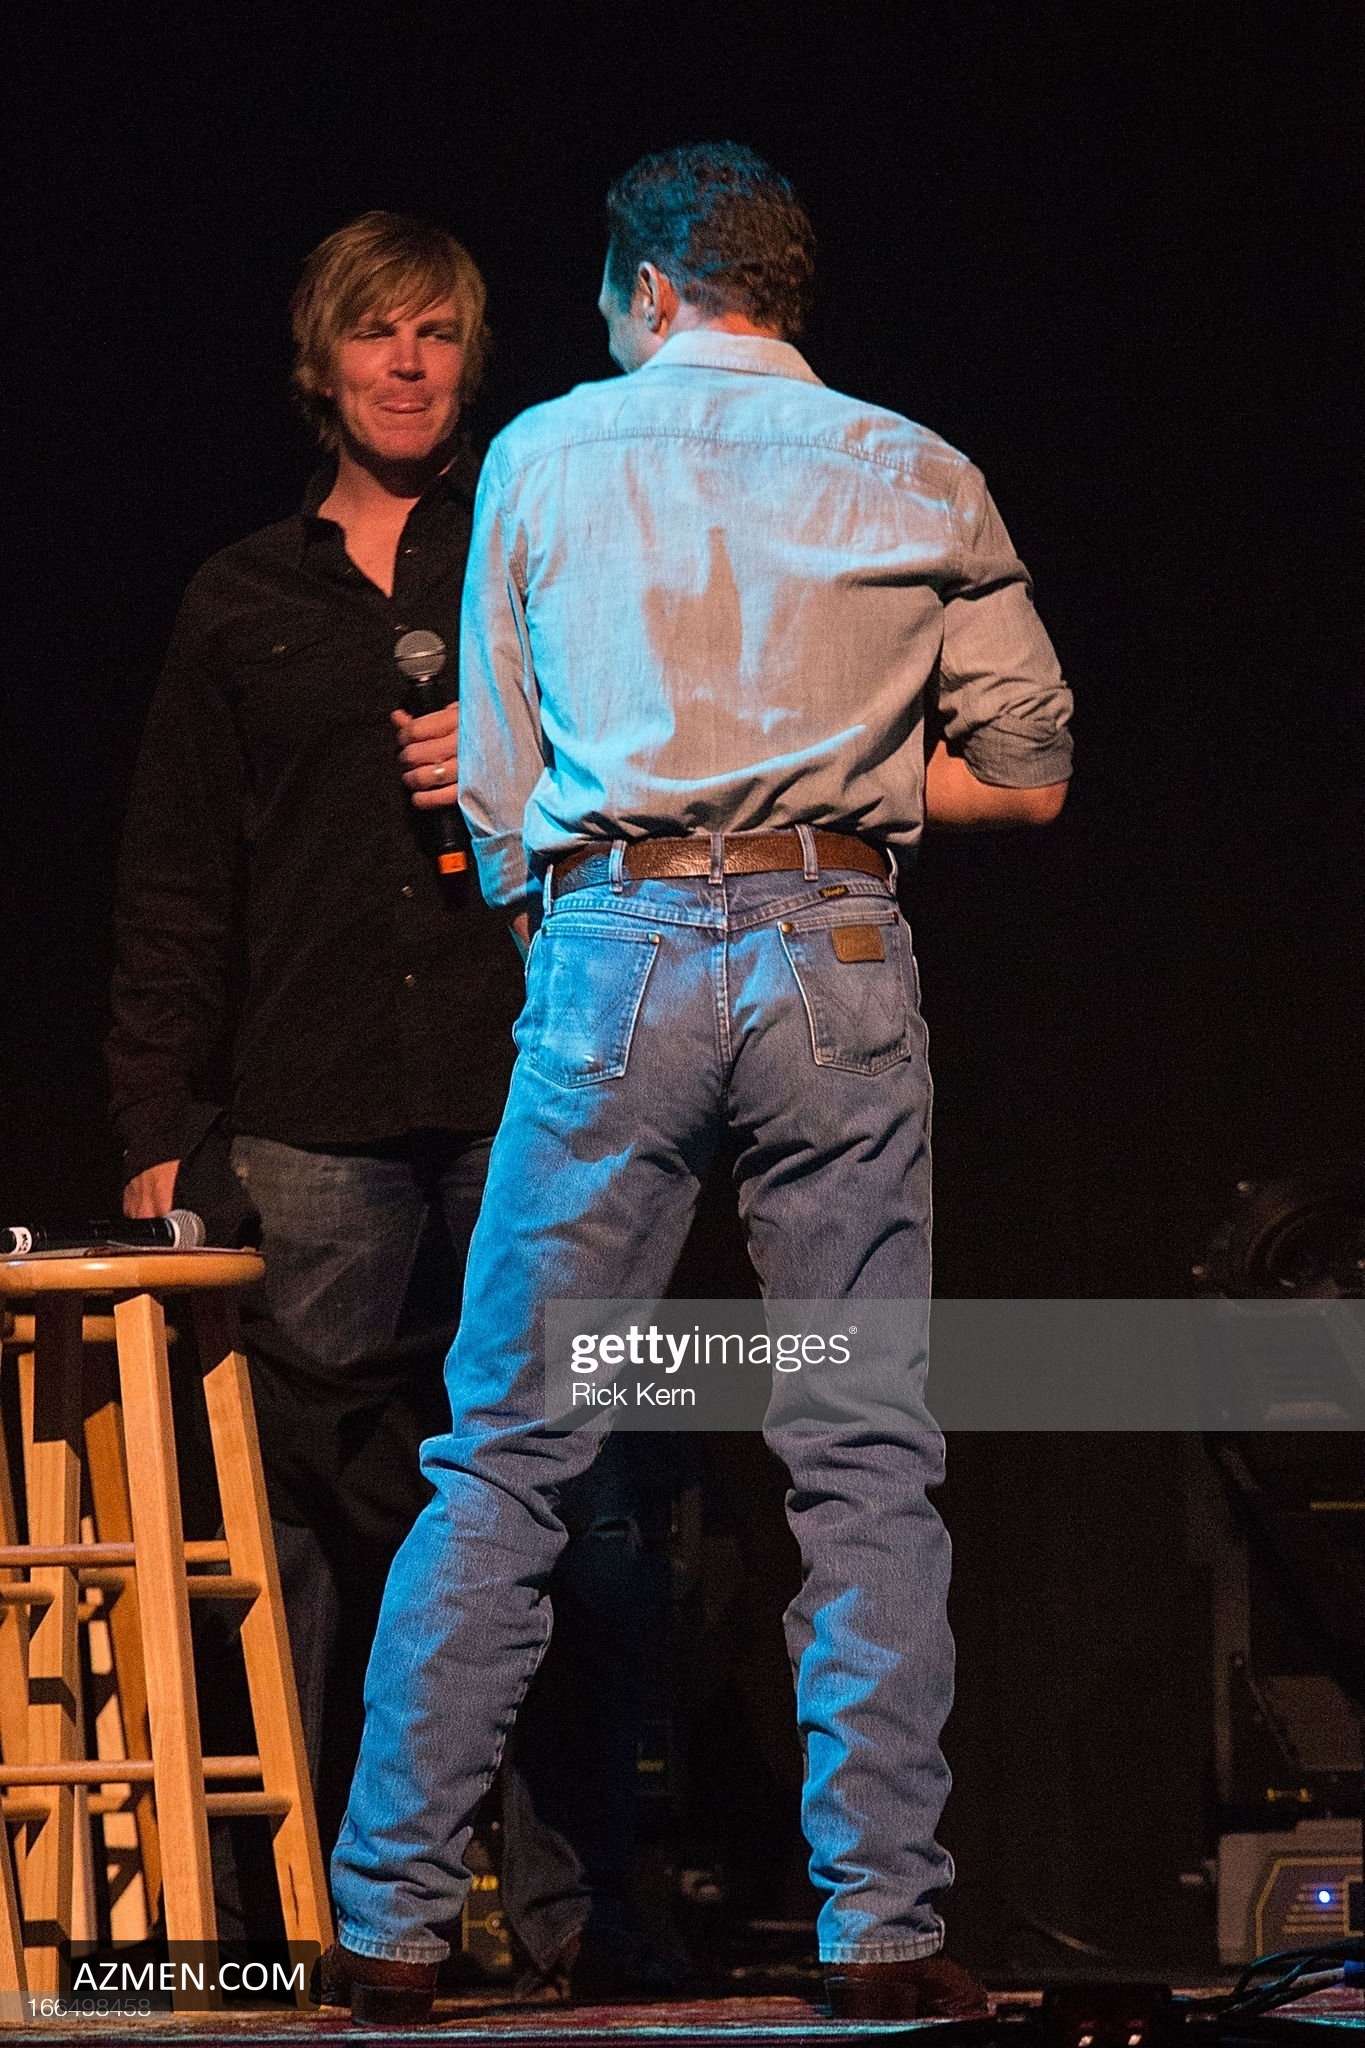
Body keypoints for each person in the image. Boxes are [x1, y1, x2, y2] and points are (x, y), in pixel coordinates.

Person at [326, 145, 1073, 2027]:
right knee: (862, 1451)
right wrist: (844, 799)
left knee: (504, 1447)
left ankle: (389, 1923)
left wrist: (595, 932)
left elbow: (500, 787)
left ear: (650, 291)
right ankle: (882, 1929)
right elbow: (1031, 765)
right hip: (836, 952)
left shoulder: (544, 455)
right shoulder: (914, 464)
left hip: (616, 949)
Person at [106, 210, 669, 1988]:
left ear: (472, 358)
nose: (407, 365)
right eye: (376, 334)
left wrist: (528, 765)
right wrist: (154, 1129)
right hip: (315, 1108)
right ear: (322, 362)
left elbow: (673, 777)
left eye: (434, 333)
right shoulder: (241, 599)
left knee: (576, 1500)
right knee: (302, 1527)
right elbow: (177, 879)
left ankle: (578, 1916)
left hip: (537, 1088)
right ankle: (305, 1918)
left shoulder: (539, 551)